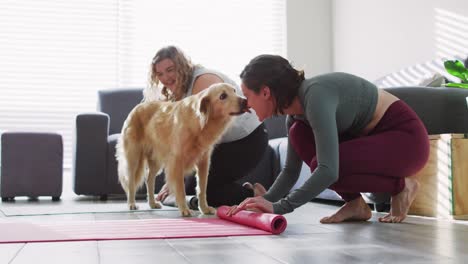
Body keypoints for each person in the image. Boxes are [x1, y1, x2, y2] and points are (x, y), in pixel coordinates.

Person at [226, 54, 430, 224]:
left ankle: (402, 186)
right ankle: (355, 204)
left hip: (406, 141)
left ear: (265, 92)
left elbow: (327, 170)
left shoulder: (316, 96)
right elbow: (290, 171)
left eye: (247, 95)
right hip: (376, 140)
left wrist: (280, 207)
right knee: (299, 133)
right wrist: (263, 201)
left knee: (323, 166)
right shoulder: (295, 116)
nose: (247, 105)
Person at [145, 45, 268, 208]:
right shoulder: (177, 94)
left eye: (170, 70)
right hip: (221, 144)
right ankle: (247, 190)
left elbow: (198, 136)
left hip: (247, 141)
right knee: (189, 190)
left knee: (201, 192)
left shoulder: (204, 81)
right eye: (160, 74)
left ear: (182, 67)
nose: (166, 78)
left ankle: (255, 196)